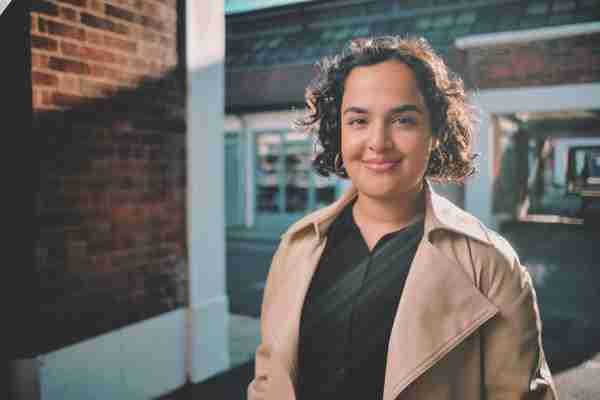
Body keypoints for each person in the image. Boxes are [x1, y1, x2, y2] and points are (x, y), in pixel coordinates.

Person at [248, 36, 557, 400]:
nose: (378, 142)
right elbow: (268, 380)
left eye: (403, 120)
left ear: (435, 133)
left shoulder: (491, 265)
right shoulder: (296, 246)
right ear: (338, 131)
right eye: (358, 120)